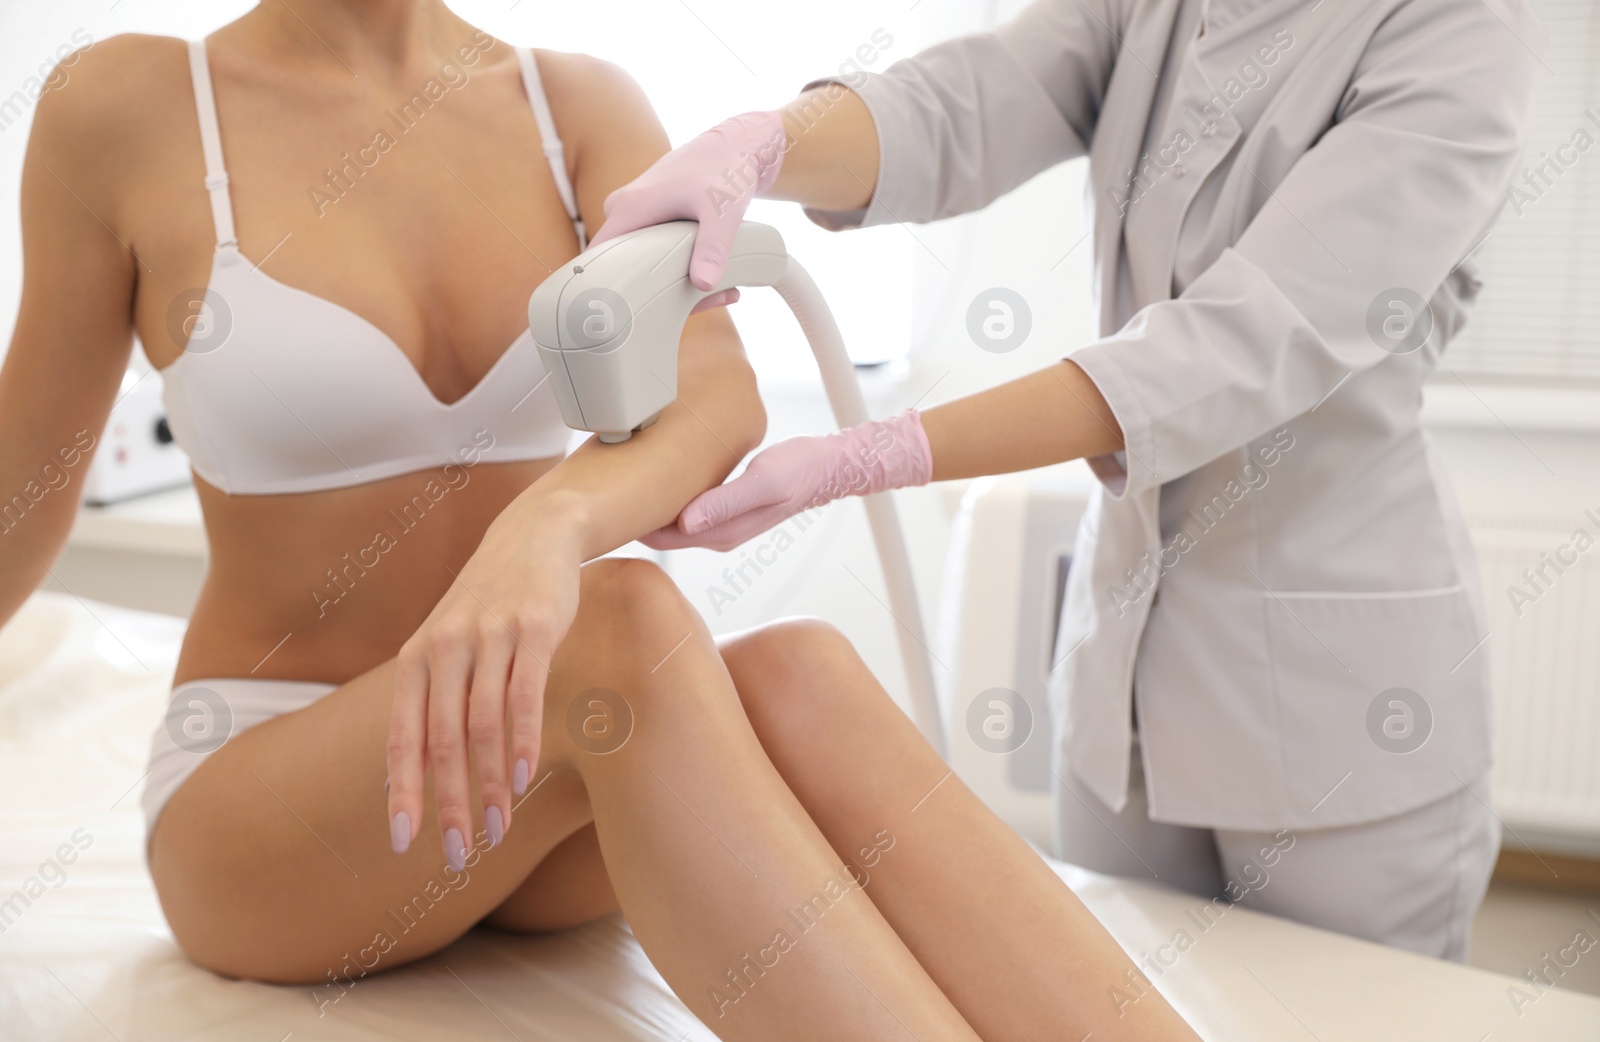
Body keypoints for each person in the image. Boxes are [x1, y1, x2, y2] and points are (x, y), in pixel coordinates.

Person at [0, 2, 1202, 1039]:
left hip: (529, 775)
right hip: (277, 793)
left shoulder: (566, 104)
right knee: (619, 630)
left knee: (800, 673)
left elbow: (715, 390)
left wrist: (550, 525)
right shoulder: (129, 107)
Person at [607, 0, 1542, 961]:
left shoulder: (1462, 27)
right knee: (1117, 1001)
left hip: (1339, 715)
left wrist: (872, 456)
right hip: (1121, 685)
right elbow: (963, 105)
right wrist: (763, 145)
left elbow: (1239, 344)